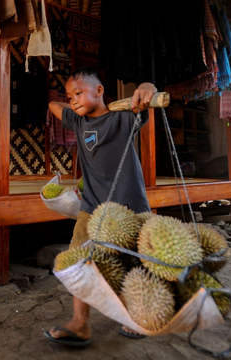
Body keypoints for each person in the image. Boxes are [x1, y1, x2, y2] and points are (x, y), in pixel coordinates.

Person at [45, 66, 157, 347]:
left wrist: (145, 87)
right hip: (92, 206)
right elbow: (52, 105)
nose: (72, 99)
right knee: (78, 261)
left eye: (79, 92)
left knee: (130, 265)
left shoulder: (122, 118)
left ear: (100, 91)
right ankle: (80, 323)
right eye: (70, 95)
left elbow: (148, 97)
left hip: (128, 205)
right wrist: (74, 100)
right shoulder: (78, 122)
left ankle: (136, 315)